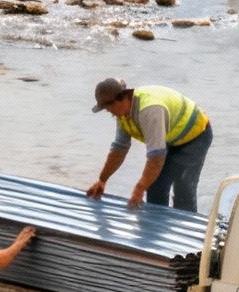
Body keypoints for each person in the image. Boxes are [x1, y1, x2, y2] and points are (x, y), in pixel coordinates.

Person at [85, 77, 214, 211]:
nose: (108, 112)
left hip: (196, 135)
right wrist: (102, 180)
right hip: (171, 138)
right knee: (155, 186)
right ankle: (156, 228)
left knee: (183, 188)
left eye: (107, 108)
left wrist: (139, 189)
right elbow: (119, 149)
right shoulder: (123, 115)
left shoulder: (150, 110)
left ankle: (188, 228)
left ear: (120, 99)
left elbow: (156, 158)